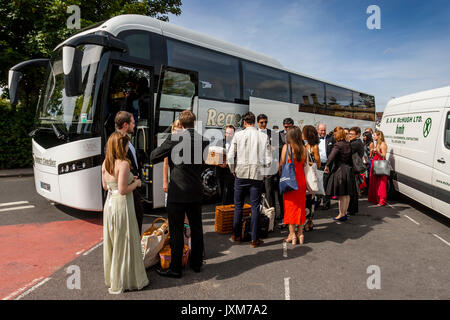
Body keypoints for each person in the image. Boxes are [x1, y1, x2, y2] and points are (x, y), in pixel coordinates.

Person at [150, 110, 208, 278]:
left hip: (178, 191)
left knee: (176, 230)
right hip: (195, 190)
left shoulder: (175, 139)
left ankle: (175, 268)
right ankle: (196, 264)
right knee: (196, 228)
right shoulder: (203, 140)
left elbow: (154, 156)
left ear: (180, 124)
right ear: (194, 123)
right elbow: (202, 165)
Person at [102, 132, 149, 294]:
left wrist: (128, 179)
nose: (129, 147)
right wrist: (135, 183)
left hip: (109, 205)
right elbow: (123, 190)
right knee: (126, 241)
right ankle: (127, 279)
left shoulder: (105, 163)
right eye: (127, 144)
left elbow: (106, 186)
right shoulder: (124, 164)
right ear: (120, 147)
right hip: (122, 206)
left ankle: (112, 277)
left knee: (114, 241)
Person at [227, 112, 272, 248]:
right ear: (254, 121)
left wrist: (233, 170)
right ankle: (254, 239)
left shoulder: (238, 135)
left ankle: (236, 235)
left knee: (238, 205)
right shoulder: (263, 136)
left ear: (245, 122)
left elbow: (230, 157)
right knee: (255, 207)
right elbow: (268, 160)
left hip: (240, 174)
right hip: (256, 175)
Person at [114, 111, 144, 235]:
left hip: (133, 186)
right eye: (132, 122)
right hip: (128, 190)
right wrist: (132, 179)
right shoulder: (116, 142)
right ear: (126, 125)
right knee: (134, 225)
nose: (134, 125)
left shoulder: (127, 140)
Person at [279, 126, 307, 245]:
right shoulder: (304, 148)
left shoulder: (287, 147)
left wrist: (280, 174)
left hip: (290, 180)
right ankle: (300, 234)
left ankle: (292, 235)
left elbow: (281, 164)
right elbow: (304, 164)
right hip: (301, 181)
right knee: (300, 207)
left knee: (290, 207)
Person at [324, 126, 356, 221]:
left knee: (342, 195)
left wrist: (327, 166)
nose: (333, 136)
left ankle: (341, 214)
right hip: (348, 170)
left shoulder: (338, 145)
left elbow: (331, 157)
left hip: (340, 170)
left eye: (334, 134)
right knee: (347, 194)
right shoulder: (348, 144)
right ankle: (345, 213)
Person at [257, 114, 283, 218]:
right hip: (257, 166)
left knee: (269, 191)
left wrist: (274, 148)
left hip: (270, 166)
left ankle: (271, 215)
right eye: (261, 122)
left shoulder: (272, 133)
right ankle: (259, 214)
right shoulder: (254, 133)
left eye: (265, 122)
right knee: (257, 191)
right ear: (257, 123)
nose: (264, 124)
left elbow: (280, 147)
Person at [302, 125, 320, 232]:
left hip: (310, 176)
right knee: (305, 200)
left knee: (311, 200)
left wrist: (308, 162)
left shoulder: (314, 147)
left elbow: (317, 163)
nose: (302, 134)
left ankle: (309, 222)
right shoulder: (305, 145)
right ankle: (306, 221)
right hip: (304, 175)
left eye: (303, 132)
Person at [316, 123, 335, 210]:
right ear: (318, 130)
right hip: (317, 165)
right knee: (318, 184)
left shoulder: (331, 138)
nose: (323, 132)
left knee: (326, 184)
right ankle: (317, 202)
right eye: (321, 130)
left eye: (324, 130)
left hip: (327, 165)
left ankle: (326, 203)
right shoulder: (314, 139)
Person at [216, 125, 236, 205]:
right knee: (221, 192)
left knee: (229, 192)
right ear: (225, 133)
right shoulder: (219, 142)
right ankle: (224, 208)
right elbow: (214, 156)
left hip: (231, 172)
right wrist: (219, 164)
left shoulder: (236, 144)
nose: (229, 135)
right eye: (227, 133)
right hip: (220, 171)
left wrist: (229, 164)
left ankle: (228, 210)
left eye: (231, 133)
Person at [348, 127, 365, 215]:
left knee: (353, 190)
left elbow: (347, 151)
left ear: (358, 135)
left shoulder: (355, 143)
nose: (350, 135)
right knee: (353, 189)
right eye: (349, 133)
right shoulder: (356, 142)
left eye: (352, 134)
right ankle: (352, 209)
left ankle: (352, 209)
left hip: (353, 169)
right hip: (354, 168)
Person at [368, 130, 388, 206]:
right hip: (375, 162)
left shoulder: (383, 144)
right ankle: (375, 198)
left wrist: (377, 151)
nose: (373, 137)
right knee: (375, 182)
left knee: (381, 183)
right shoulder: (377, 144)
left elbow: (383, 155)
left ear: (379, 136)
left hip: (381, 164)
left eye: (375, 135)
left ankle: (381, 200)